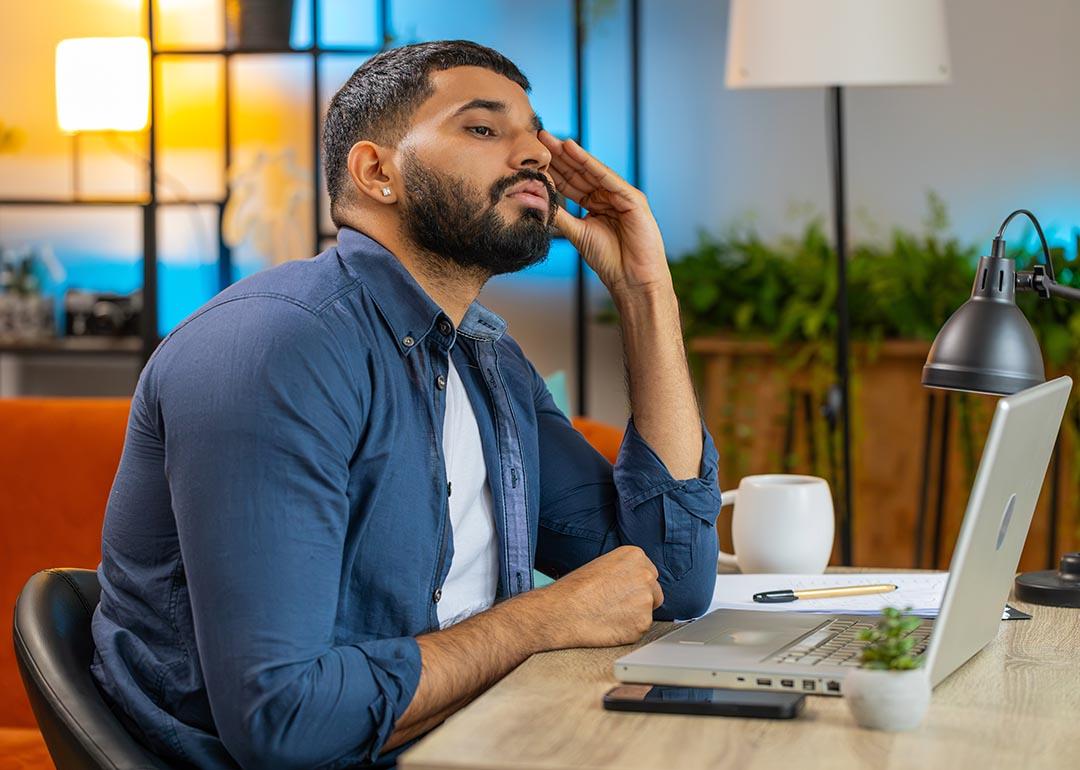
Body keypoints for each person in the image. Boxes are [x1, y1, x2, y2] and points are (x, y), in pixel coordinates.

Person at [91, 40, 721, 770]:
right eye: (484, 129)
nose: (535, 156)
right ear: (376, 171)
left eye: (535, 133)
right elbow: (283, 724)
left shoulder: (484, 359)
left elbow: (671, 578)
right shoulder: (278, 346)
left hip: (475, 743)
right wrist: (541, 621)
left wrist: (646, 289)